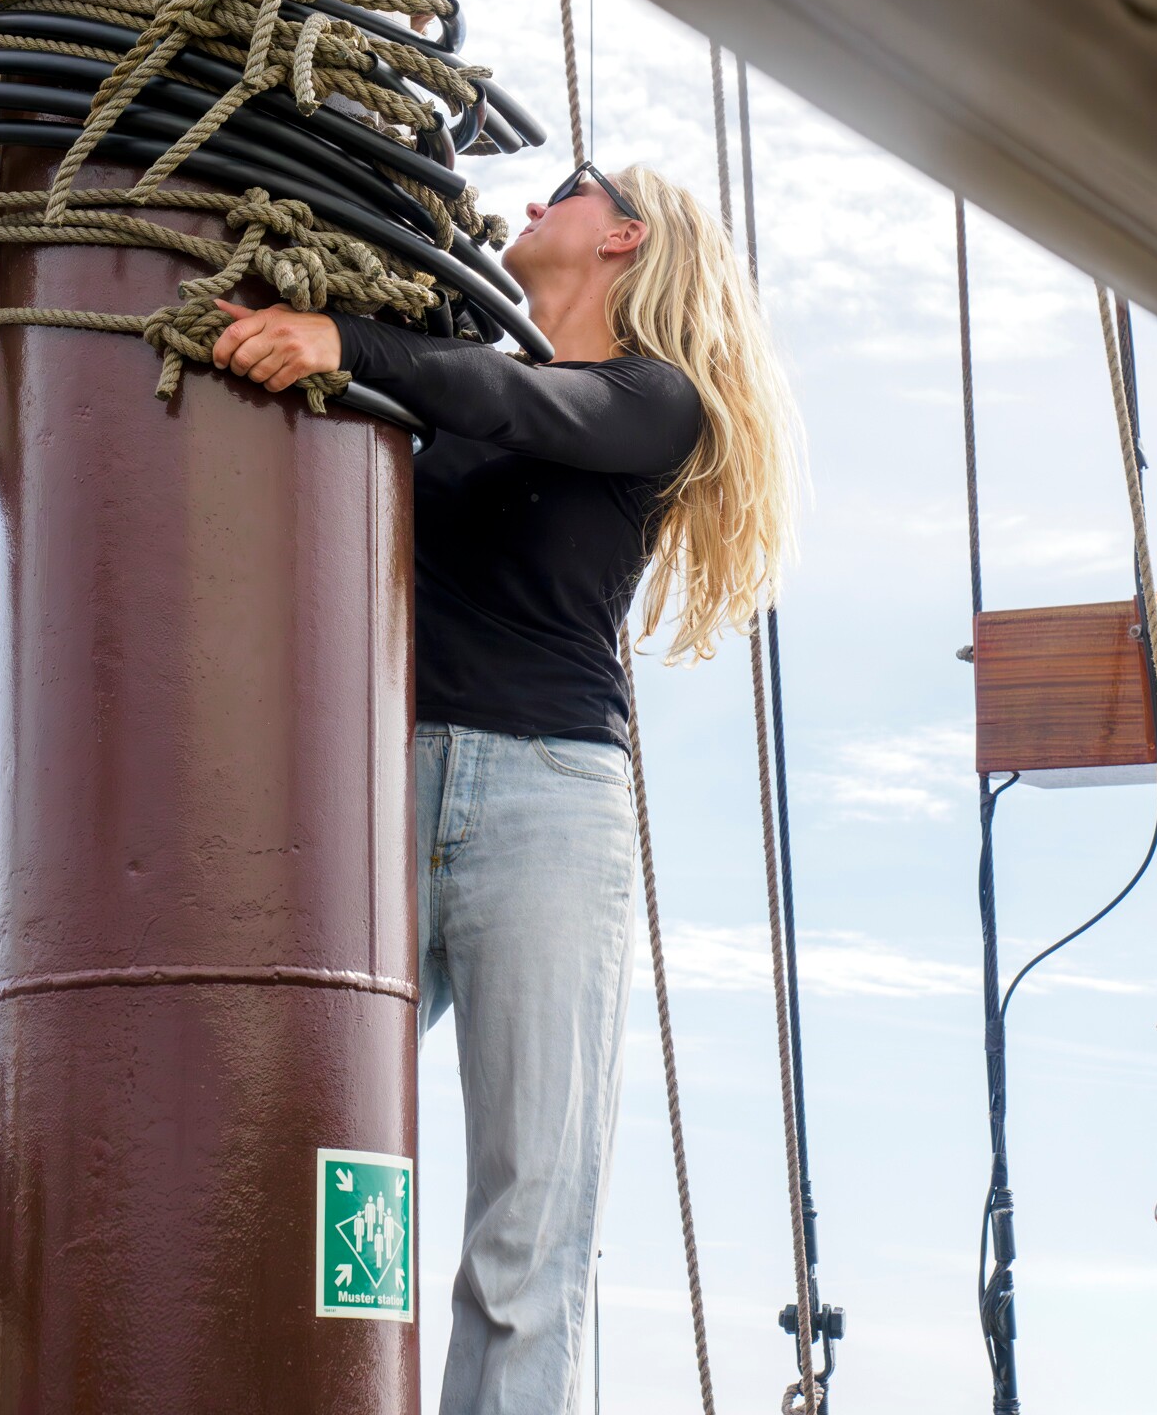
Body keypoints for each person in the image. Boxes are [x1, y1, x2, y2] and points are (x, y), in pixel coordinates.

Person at [212, 159, 801, 1413]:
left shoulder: (653, 402)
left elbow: (513, 397)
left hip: (549, 805)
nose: (533, 203)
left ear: (625, 237)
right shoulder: (446, 388)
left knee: (529, 1222)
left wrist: (344, 339)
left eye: (570, 189)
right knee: (277, 1131)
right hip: (380, 784)